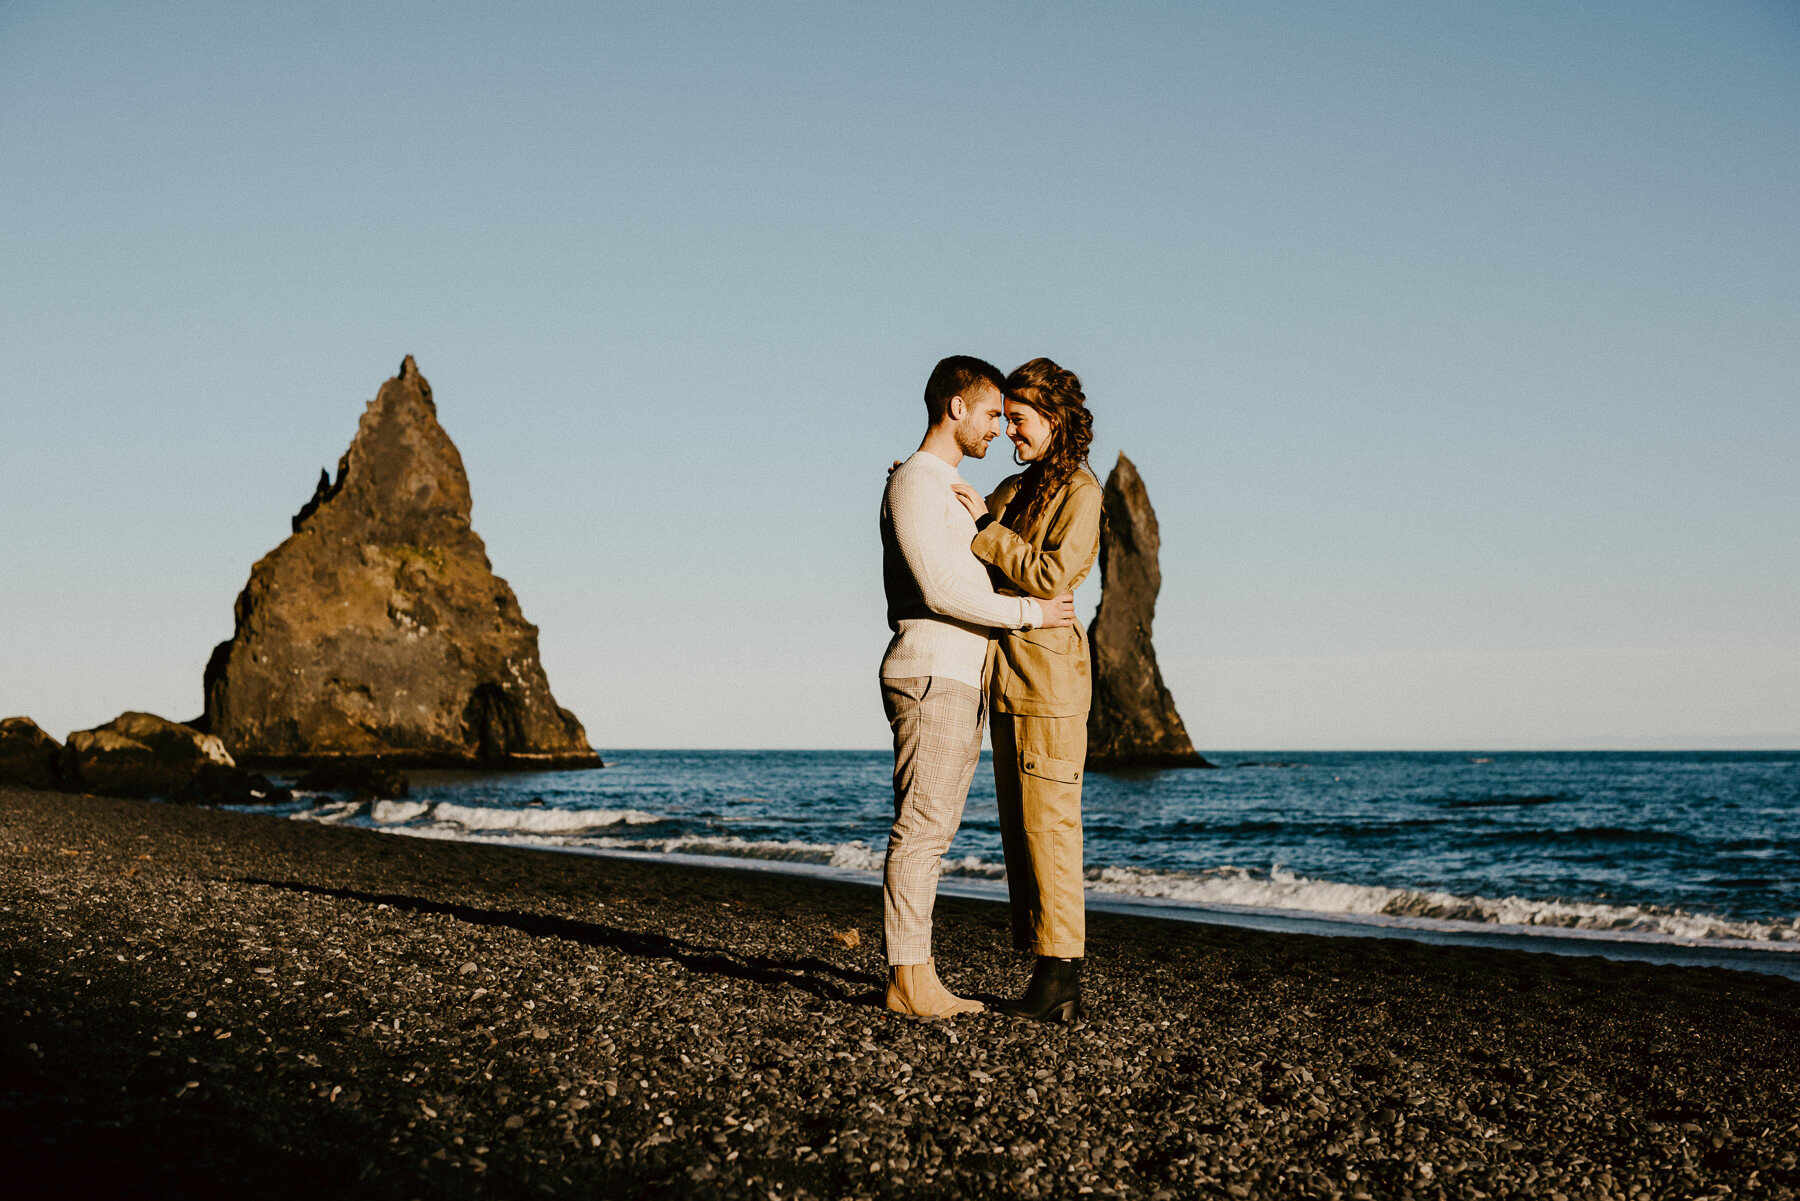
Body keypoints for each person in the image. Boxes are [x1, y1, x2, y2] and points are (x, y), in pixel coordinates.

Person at [878, 355, 1077, 1019]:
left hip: (958, 676)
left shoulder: (948, 489)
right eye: (992, 412)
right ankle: (911, 981)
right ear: (954, 407)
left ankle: (917, 973)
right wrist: (1032, 612)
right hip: (932, 671)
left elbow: (978, 572)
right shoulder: (917, 480)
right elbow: (942, 589)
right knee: (923, 831)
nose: (997, 428)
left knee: (933, 829)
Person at [950, 357, 1102, 1022]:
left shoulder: (1081, 491)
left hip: (1051, 685)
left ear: (1054, 416)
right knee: (1022, 832)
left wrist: (986, 531)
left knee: (1051, 830)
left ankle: (1061, 979)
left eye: (1020, 421)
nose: (1011, 434)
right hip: (1009, 679)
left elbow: (1048, 574)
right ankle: (1046, 972)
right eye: (1006, 421)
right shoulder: (1019, 486)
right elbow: (975, 543)